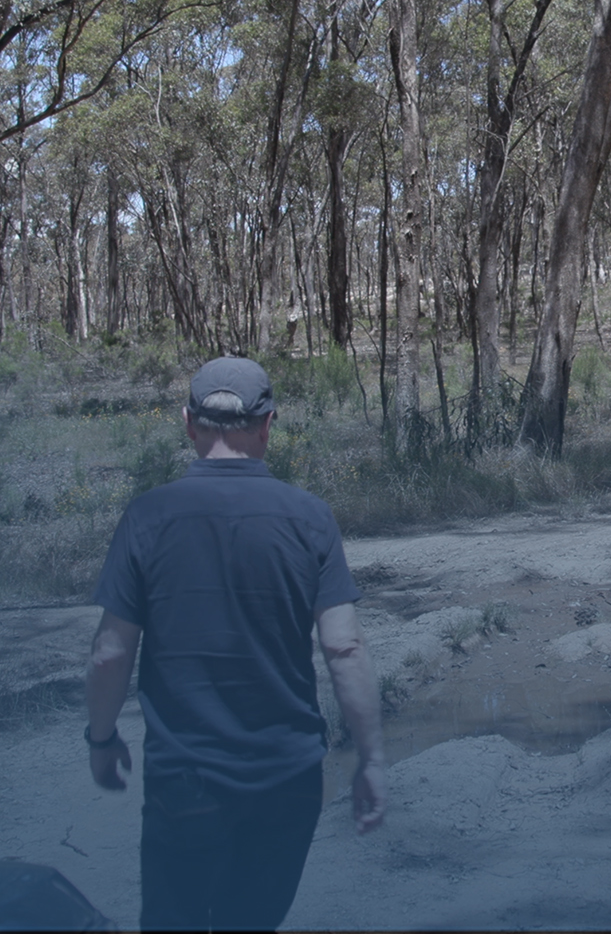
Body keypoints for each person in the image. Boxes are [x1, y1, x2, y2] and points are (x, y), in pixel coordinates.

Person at [84, 356, 386, 931]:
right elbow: (344, 649)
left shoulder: (149, 516)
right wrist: (369, 758)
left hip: (185, 778)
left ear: (188, 422)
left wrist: (100, 739)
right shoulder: (311, 519)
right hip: (287, 779)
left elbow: (110, 652)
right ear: (268, 423)